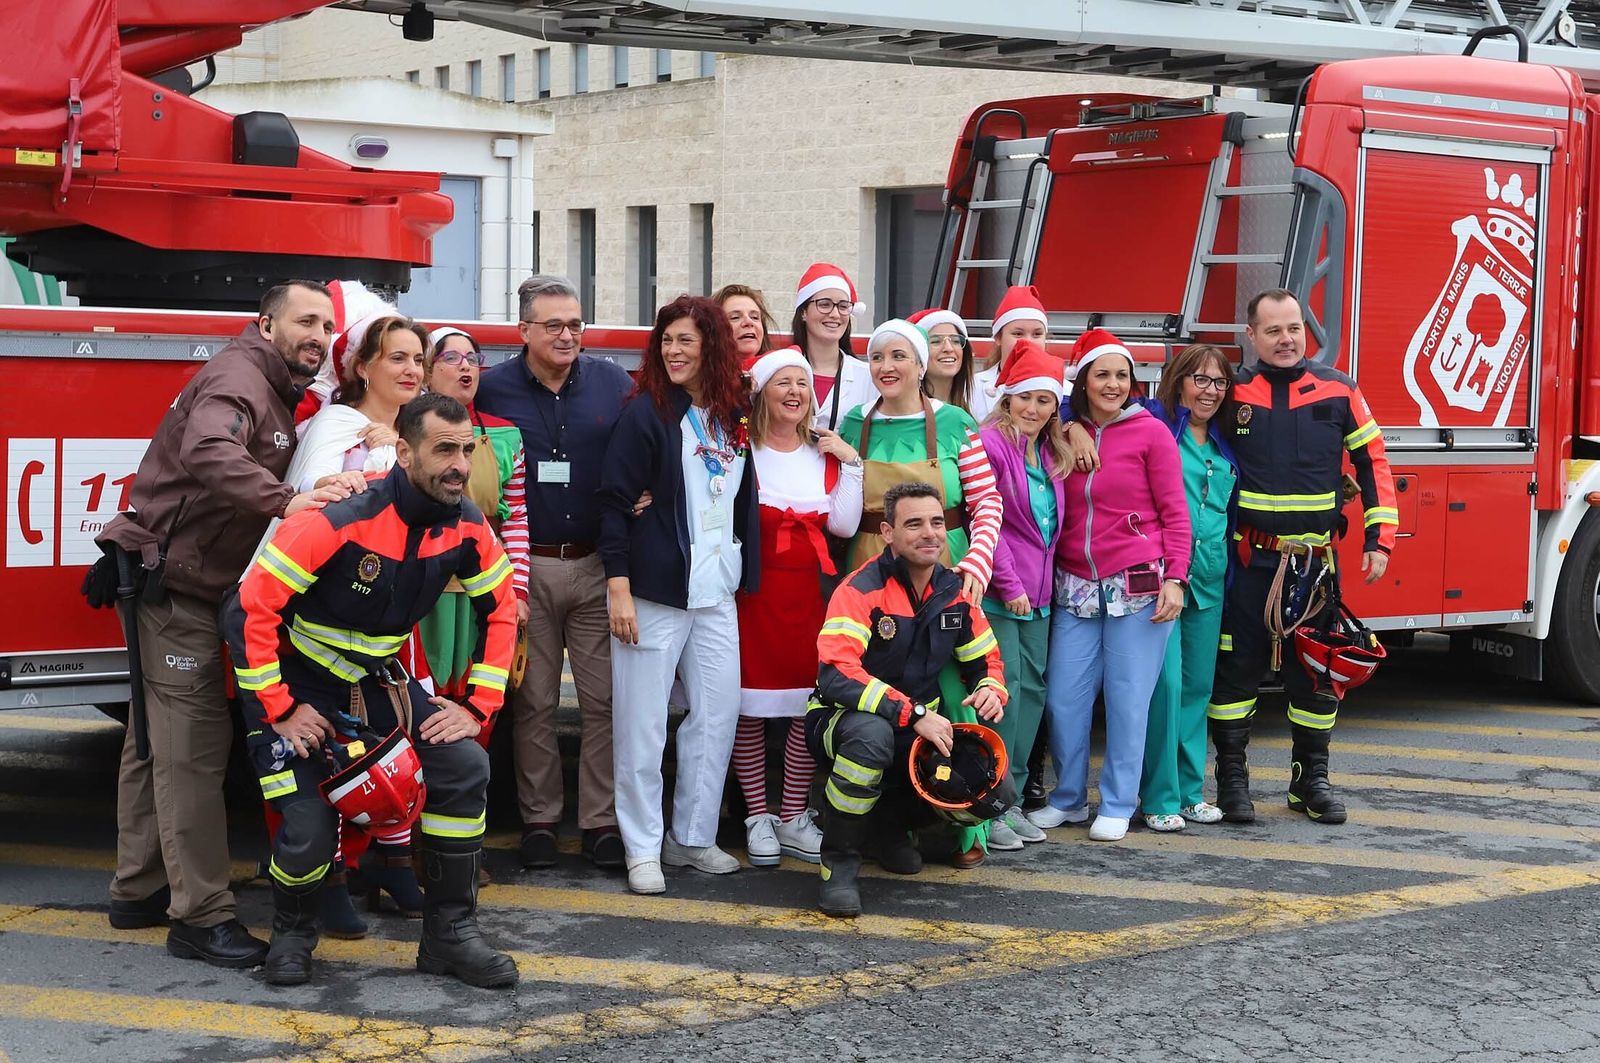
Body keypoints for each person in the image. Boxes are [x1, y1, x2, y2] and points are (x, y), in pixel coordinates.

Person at [95, 281, 362, 968]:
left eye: (328, 323)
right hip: (176, 588)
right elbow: (210, 451)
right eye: (305, 320)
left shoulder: (271, 383)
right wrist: (290, 501)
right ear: (264, 323)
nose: (318, 333)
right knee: (192, 751)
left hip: (177, 584)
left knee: (152, 740)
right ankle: (201, 916)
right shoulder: (239, 376)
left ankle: (140, 886)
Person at [222, 392, 519, 989]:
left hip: (378, 684)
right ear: (405, 452)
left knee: (464, 765)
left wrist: (477, 708)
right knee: (306, 824)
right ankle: (294, 933)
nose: (459, 465)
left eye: (467, 449)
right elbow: (248, 609)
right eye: (443, 450)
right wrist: (279, 709)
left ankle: (449, 934)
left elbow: (504, 610)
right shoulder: (338, 516)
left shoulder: (468, 524)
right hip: (296, 687)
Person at [259, 312, 431, 929]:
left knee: (390, 745)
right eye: (397, 358)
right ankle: (322, 887)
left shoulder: (416, 429)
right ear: (362, 366)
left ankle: (388, 863)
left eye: (418, 359)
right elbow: (311, 504)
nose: (412, 370)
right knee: (318, 753)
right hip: (304, 624)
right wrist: (381, 465)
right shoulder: (338, 425)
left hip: (382, 626)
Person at [1207, 289, 1398, 825]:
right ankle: (1232, 782)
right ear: (1252, 336)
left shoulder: (1340, 390)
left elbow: (1373, 461)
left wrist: (1378, 537)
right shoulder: (1230, 390)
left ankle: (1309, 781)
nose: (1286, 339)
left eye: (1294, 328)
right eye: (1273, 330)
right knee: (1235, 673)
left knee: (1315, 673)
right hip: (1249, 563)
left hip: (1315, 569)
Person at [599, 294, 759, 896]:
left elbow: (738, 498)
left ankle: (691, 838)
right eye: (666, 340)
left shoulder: (732, 414)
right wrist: (619, 587)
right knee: (642, 727)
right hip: (654, 594)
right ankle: (642, 847)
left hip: (717, 592)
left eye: (686, 341)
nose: (673, 351)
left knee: (717, 716)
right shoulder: (646, 414)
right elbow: (614, 503)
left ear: (710, 346)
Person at [477, 275, 633, 872]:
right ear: (523, 331)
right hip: (525, 566)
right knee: (533, 701)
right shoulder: (491, 389)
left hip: (596, 566)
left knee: (603, 702)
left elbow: (636, 450)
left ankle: (599, 822)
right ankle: (539, 821)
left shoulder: (612, 382)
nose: (568, 335)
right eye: (554, 326)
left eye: (576, 324)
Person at [836, 318, 1003, 868]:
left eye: (899, 356)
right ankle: (892, 825)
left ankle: (962, 829)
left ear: (919, 365)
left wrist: (976, 565)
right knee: (882, 697)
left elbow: (986, 504)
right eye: (877, 356)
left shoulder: (954, 422)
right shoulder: (853, 423)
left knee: (954, 694)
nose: (887, 367)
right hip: (871, 571)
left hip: (946, 572)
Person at [808, 481, 1007, 917]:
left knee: (996, 790)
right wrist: (911, 712)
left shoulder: (953, 590)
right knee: (872, 739)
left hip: (916, 726)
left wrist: (991, 689)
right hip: (840, 721)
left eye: (937, 522)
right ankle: (838, 865)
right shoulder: (860, 589)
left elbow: (984, 661)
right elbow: (837, 674)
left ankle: (889, 829)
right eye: (913, 524)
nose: (929, 533)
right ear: (888, 533)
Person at [1030, 328, 1191, 843]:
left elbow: (1176, 514)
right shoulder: (1060, 429)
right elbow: (1020, 403)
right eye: (1103, 374)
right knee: (1064, 699)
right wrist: (1072, 425)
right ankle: (1068, 798)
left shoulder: (1153, 433)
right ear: (1084, 381)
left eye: (1122, 374)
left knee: (1128, 700)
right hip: (1075, 585)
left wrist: (1176, 579)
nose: (1114, 384)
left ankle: (1119, 801)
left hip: (1140, 585)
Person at [734, 347, 864, 866]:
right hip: (750, 596)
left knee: (800, 710)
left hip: (808, 598)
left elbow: (844, 526)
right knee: (746, 708)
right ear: (761, 391)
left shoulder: (824, 457)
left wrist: (851, 462)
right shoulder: (738, 449)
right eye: (782, 383)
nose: (794, 392)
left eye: (802, 384)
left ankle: (792, 815)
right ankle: (757, 815)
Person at [1137, 344, 1239, 832]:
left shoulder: (1226, 440)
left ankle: (1192, 792)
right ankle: (1160, 796)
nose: (1210, 391)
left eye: (1219, 382)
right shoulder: (1155, 421)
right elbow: (1084, 401)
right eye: (1200, 379)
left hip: (1212, 578)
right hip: (1164, 578)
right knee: (1166, 686)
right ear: (1178, 381)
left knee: (1198, 688)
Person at [977, 340, 1070, 852]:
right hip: (1001, 591)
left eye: (1045, 400)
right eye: (1025, 398)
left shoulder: (1051, 450)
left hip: (1040, 596)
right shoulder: (991, 444)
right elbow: (989, 521)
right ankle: (990, 805)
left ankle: (1010, 802)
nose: (1034, 409)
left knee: (1032, 692)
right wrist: (1009, 586)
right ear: (1007, 399)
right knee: (1003, 693)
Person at [416, 326, 532, 705]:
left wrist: (517, 591)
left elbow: (514, 519)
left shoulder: (505, 437)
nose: (465, 367)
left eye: (473, 359)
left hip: (481, 588)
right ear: (429, 369)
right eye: (452, 358)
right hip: (418, 588)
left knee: (477, 692)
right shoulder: (400, 432)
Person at [791, 262, 874, 431]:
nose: (835, 314)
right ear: (803, 312)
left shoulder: (869, 378)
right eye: (824, 304)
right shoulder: (779, 372)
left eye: (843, 306)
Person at [969, 285, 1050, 423]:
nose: (1028, 342)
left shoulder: (1065, 390)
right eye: (1018, 334)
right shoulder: (971, 388)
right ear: (998, 338)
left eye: (1037, 334)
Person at [911, 308, 975, 414]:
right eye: (936, 341)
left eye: (955, 341)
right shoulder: (908, 414)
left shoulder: (973, 407)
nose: (948, 348)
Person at [716, 283, 776, 361]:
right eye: (735, 317)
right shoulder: (700, 372)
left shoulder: (783, 368)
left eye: (755, 317)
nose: (748, 322)